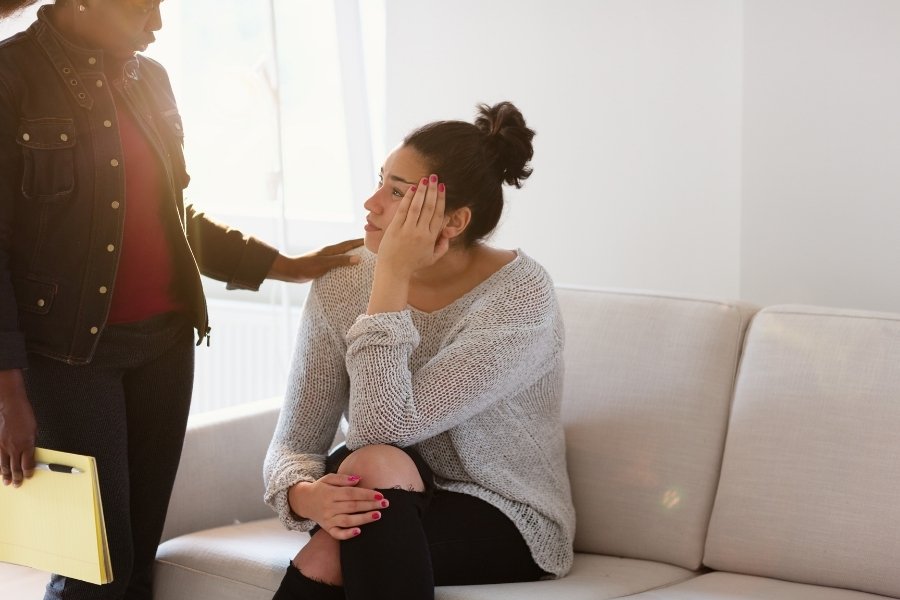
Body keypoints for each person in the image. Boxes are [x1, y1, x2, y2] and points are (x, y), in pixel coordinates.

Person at [0, 1, 362, 599]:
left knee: (140, 555)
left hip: (166, 347)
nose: (159, 24)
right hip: (69, 359)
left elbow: (171, 213)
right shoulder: (11, 78)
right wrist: (8, 393)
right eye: (144, 7)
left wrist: (280, 266)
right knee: (97, 565)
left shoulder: (151, 77)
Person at [264, 100, 576, 600]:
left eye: (395, 192)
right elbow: (295, 441)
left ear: (451, 223)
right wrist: (307, 498)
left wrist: (390, 278)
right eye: (379, 181)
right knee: (368, 478)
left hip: (502, 511)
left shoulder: (521, 297)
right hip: (384, 484)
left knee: (342, 529)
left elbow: (383, 428)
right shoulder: (341, 282)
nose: (370, 203)